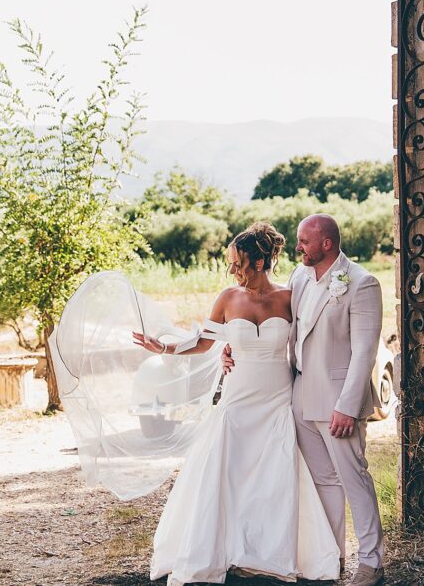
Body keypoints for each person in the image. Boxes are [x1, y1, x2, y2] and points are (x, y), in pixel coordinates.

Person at [132, 222, 340, 585]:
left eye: (237, 262)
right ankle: (224, 548)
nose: (231, 270)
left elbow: (308, 341)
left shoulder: (289, 297)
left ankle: (268, 552)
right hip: (238, 399)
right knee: (228, 472)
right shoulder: (228, 298)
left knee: (274, 476)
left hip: (277, 400)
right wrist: (163, 346)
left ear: (259, 263)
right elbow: (203, 342)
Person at [223, 214, 386, 586]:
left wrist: (347, 406)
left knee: (354, 480)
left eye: (304, 242)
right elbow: (278, 327)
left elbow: (365, 353)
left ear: (326, 244)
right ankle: (332, 557)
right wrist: (233, 347)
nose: (297, 247)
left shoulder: (361, 283)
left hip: (339, 403)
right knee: (322, 482)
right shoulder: (299, 276)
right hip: (299, 397)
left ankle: (372, 563)